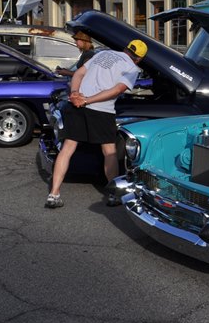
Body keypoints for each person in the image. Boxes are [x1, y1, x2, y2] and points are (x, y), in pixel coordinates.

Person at [45, 39, 146, 209]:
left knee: (67, 148)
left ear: (125, 48)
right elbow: (116, 90)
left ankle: (53, 194)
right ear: (139, 59)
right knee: (109, 151)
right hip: (101, 110)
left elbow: (78, 74)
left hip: (75, 106)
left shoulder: (102, 54)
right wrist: (87, 100)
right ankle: (113, 195)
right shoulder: (132, 68)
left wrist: (76, 95)